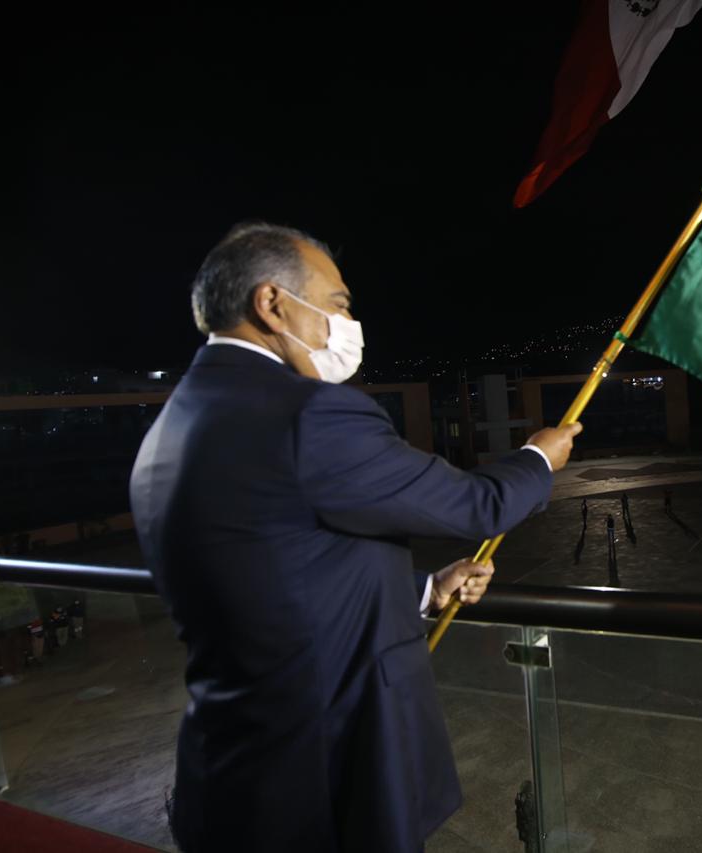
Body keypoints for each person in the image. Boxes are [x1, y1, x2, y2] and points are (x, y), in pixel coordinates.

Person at [128, 222, 582, 853]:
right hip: (327, 776)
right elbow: (477, 506)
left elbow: (278, 580)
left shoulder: (171, 428)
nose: (347, 323)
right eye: (338, 304)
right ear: (272, 303)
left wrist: (426, 590)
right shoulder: (307, 413)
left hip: (231, 767)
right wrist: (537, 457)